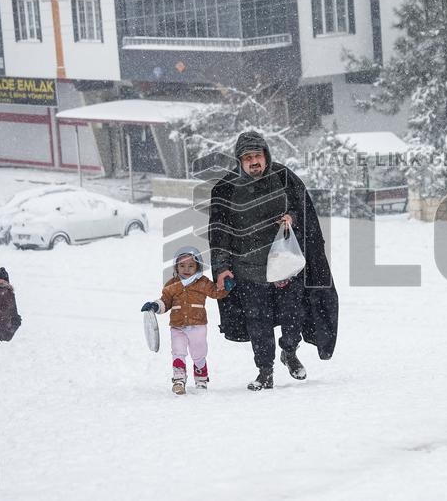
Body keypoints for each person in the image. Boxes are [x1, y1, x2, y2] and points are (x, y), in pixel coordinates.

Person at [208, 131, 339, 391]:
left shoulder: (284, 177)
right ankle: (264, 372)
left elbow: (304, 211)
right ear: (239, 161)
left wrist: (292, 217)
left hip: (285, 268)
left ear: (266, 155)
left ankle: (289, 352)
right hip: (248, 271)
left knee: (293, 318)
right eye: (248, 157)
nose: (254, 161)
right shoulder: (225, 188)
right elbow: (219, 233)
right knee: (258, 324)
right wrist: (222, 268)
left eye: (258, 155)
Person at [141, 247, 229, 395]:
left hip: (198, 325)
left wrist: (226, 287)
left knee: (199, 352)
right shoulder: (172, 284)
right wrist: (156, 306)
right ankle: (179, 379)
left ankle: (201, 378)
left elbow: (215, 292)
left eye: (191, 266)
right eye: (182, 265)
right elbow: (165, 302)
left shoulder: (202, 282)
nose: (186, 269)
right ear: (176, 267)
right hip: (177, 326)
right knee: (178, 351)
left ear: (198, 266)